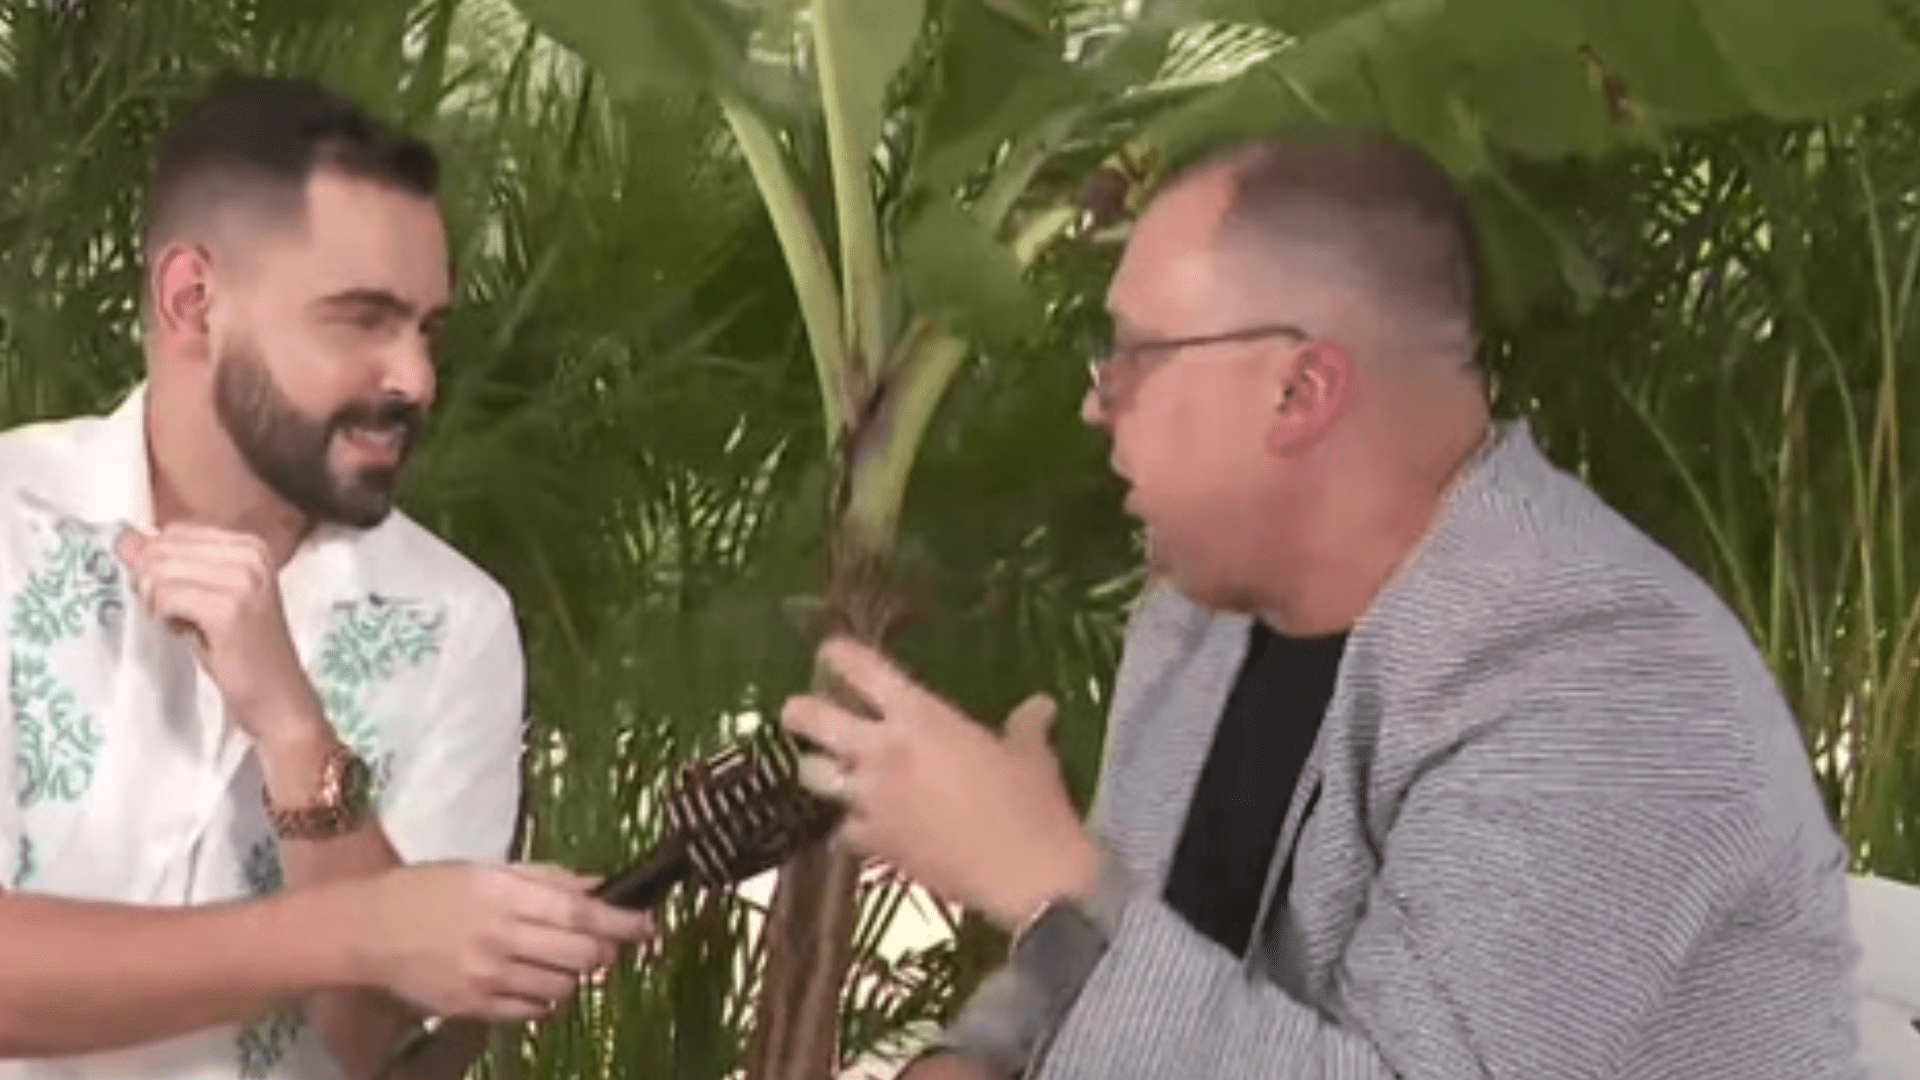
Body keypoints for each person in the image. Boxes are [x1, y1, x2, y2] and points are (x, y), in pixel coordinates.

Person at [780, 130, 1868, 1079]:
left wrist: (1034, 872)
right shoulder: (1201, 617)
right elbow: (1109, 944)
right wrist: (973, 1056)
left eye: (1134, 356)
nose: (1096, 402)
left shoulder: (1602, 685)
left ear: (1299, 390)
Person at [0, 75, 651, 1080]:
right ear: (193, 301)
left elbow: (378, 1041)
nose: (416, 380)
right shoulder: (12, 525)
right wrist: (357, 928)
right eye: (361, 320)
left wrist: (297, 734)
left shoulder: (455, 623)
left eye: (427, 329)